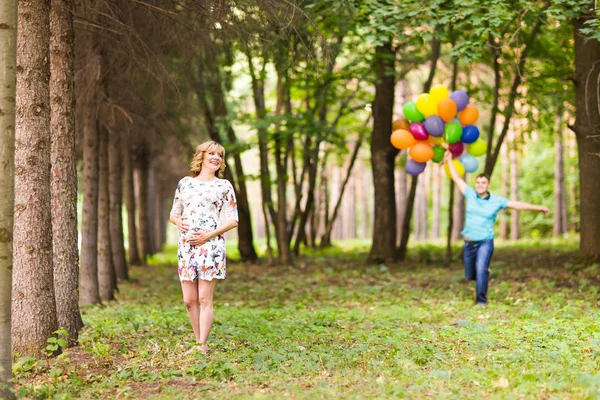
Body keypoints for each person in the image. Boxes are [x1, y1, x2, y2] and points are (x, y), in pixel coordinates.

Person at [443, 150, 549, 306]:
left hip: (485, 241)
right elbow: (457, 178)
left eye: (483, 183)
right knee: (470, 275)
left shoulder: (497, 201)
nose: (480, 185)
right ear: (475, 184)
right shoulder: (470, 194)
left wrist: (538, 207)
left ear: (488, 185)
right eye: (478, 182)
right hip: (469, 243)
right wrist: (449, 160)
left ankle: (481, 301)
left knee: (480, 269)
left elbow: (516, 205)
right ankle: (484, 272)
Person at [169, 140, 238, 354]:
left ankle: (202, 345)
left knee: (204, 298)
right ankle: (198, 341)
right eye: (212, 153)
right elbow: (173, 213)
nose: (216, 158)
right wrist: (177, 221)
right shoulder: (185, 183)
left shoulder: (223, 186)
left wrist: (208, 235)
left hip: (211, 247)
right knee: (189, 300)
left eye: (220, 155)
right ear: (202, 156)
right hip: (187, 247)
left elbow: (233, 220)